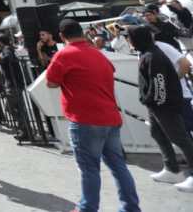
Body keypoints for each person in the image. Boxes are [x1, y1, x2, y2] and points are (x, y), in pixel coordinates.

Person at [45, 18, 141, 212]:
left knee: (89, 169)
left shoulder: (64, 55)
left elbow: (51, 82)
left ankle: (87, 208)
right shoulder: (98, 54)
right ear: (81, 33)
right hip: (110, 117)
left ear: (62, 36)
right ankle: (131, 207)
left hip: (85, 119)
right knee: (118, 166)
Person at [129, 25, 193, 193]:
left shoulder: (153, 55)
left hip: (164, 104)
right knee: (157, 133)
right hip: (157, 104)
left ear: (137, 39)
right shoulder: (146, 52)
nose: (127, 40)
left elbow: (159, 84)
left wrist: (153, 100)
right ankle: (172, 169)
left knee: (180, 138)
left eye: (129, 37)